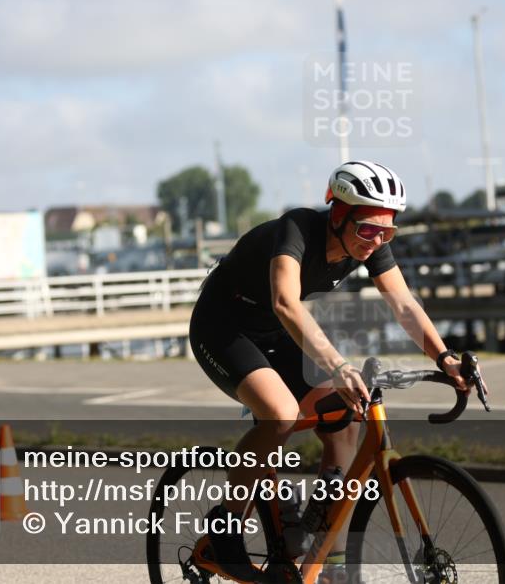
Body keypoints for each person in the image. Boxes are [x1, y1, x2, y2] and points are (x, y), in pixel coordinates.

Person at [189, 160, 475, 582]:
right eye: (368, 230)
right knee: (281, 413)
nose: (376, 240)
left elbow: (404, 304)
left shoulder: (371, 243)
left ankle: (324, 555)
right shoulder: (297, 230)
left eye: (387, 231)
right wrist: (338, 365)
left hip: (274, 330)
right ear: (338, 215)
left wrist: (444, 357)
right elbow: (286, 302)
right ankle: (223, 533)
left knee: (347, 416)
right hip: (223, 327)